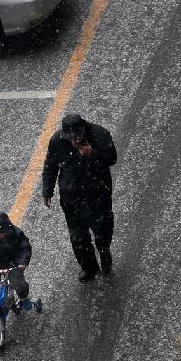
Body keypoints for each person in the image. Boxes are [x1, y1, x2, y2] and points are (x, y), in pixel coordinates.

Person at [41, 113, 117, 282]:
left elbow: (112, 159)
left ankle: (105, 253)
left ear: (83, 130)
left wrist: (92, 154)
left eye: (77, 136)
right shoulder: (57, 141)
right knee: (78, 238)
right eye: (70, 138)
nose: (74, 142)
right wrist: (47, 190)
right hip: (71, 199)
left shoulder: (99, 135)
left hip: (98, 196)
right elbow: (50, 165)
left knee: (102, 232)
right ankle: (88, 267)